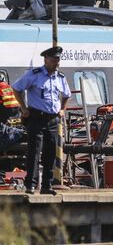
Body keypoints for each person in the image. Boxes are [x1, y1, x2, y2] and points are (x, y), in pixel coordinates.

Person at [12, 46, 71, 195]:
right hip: (36, 117)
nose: (56, 63)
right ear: (45, 60)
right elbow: (17, 88)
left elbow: (66, 94)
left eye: (58, 60)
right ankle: (30, 185)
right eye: (53, 60)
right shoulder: (34, 75)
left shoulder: (60, 77)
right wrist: (24, 108)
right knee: (34, 152)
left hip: (52, 119)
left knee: (50, 153)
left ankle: (46, 185)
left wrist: (62, 108)